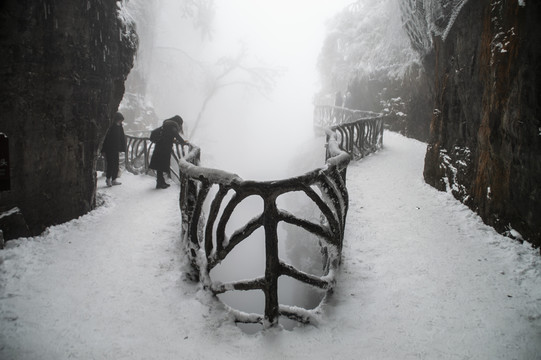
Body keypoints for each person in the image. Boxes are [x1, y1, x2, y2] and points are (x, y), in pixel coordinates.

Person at [149, 115, 188, 189]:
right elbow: (176, 135)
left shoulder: (167, 124)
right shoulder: (172, 126)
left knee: (159, 165)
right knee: (161, 165)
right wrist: (183, 142)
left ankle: (160, 182)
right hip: (164, 148)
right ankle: (160, 183)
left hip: (159, 147)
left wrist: (172, 140)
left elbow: (167, 135)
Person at [101, 112, 127, 187]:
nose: (121, 122)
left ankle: (114, 179)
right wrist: (103, 150)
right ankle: (108, 178)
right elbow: (106, 139)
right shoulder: (111, 127)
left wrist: (122, 147)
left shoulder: (120, 127)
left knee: (116, 164)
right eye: (120, 120)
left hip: (116, 148)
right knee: (110, 164)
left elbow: (121, 137)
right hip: (109, 148)